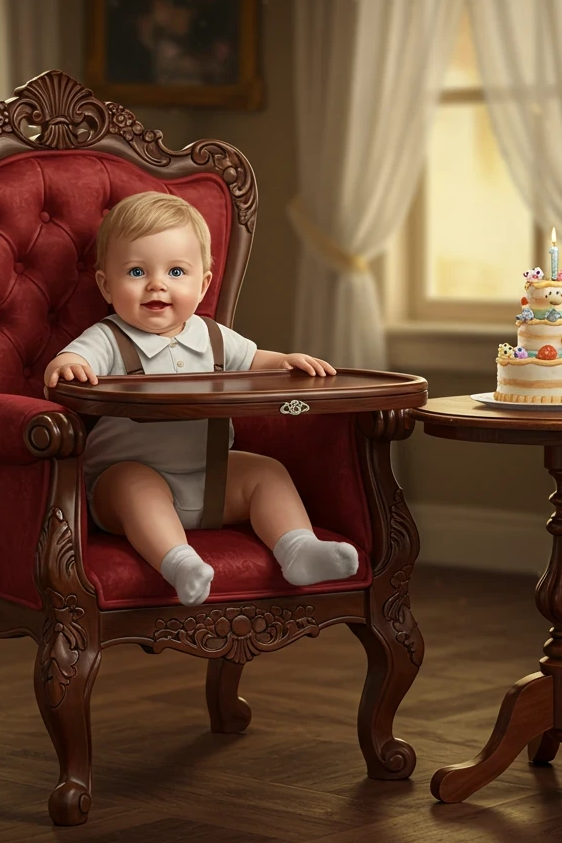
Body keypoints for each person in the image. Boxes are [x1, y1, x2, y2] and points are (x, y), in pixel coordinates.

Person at [43, 192, 359, 606]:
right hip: (122, 487)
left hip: (210, 482)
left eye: (176, 271)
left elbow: (253, 360)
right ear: (106, 284)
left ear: (203, 282)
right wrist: (66, 365)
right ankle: (179, 562)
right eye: (137, 271)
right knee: (133, 485)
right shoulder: (109, 338)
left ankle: (298, 548)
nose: (157, 284)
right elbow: (70, 363)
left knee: (267, 472)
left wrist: (286, 361)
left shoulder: (212, 336)